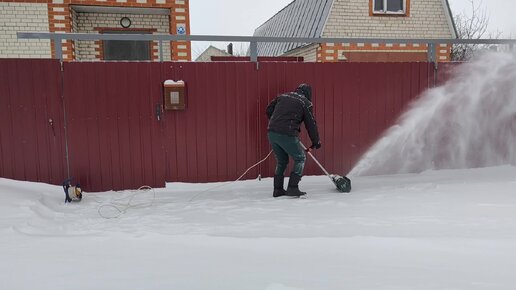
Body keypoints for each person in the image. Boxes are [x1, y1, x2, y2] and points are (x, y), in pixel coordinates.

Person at [266, 83, 321, 197]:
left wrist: (277, 122)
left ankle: (278, 189)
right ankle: (292, 187)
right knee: (300, 158)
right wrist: (316, 142)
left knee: (282, 161)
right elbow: (311, 124)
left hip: (271, 132)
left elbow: (269, 110)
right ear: (308, 94)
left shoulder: (283, 96)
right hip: (287, 134)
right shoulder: (305, 103)